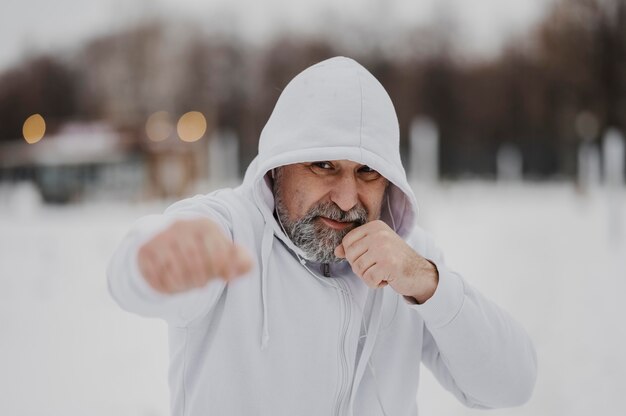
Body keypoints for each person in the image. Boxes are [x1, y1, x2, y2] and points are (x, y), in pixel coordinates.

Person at [107, 56, 537, 415]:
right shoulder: (227, 233)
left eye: (366, 172)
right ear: (279, 165)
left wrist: (429, 283)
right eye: (324, 166)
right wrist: (153, 260)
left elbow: (512, 384)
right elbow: (133, 276)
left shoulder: (407, 259)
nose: (348, 199)